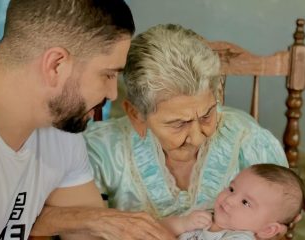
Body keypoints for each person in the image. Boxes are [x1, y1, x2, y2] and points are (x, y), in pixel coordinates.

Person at [0, 1, 175, 240]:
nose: (113, 93)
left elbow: (91, 230)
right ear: (56, 65)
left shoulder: (58, 123)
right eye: (108, 74)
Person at [84, 24, 289, 221]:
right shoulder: (105, 151)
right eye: (178, 124)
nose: (198, 137)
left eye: (207, 114)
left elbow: (279, 223)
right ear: (137, 114)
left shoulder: (248, 139)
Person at [161, 164, 304, 240]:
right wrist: (183, 223)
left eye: (245, 202)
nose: (229, 199)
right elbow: (156, 229)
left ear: (267, 230)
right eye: (231, 189)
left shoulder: (239, 237)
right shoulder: (207, 211)